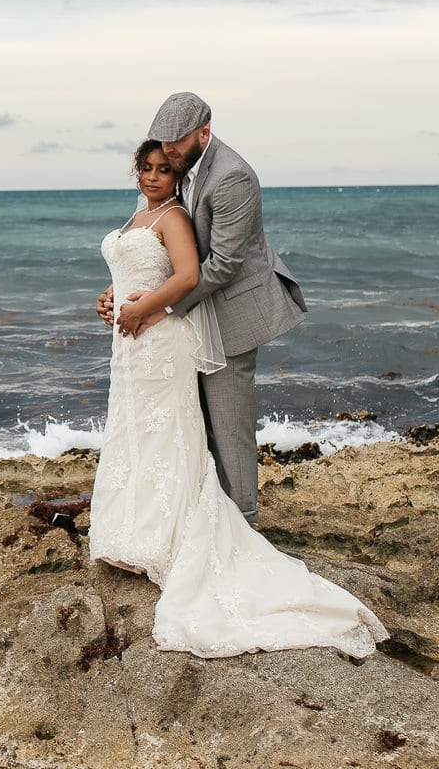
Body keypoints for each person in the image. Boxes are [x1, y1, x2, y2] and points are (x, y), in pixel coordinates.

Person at [91, 140, 386, 658]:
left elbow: (187, 277)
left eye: (164, 169)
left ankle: (172, 533)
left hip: (160, 340)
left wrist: (148, 312)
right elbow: (138, 273)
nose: (153, 176)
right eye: (146, 168)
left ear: (178, 173)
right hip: (129, 341)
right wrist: (110, 298)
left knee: (169, 431)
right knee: (134, 428)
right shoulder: (140, 214)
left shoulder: (176, 217)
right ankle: (132, 529)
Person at [98, 92, 304, 523]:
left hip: (230, 312)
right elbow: (149, 246)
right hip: (181, 315)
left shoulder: (233, 177)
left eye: (175, 143)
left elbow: (224, 264)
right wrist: (118, 294)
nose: (167, 152)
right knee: (191, 425)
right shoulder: (173, 170)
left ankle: (244, 524)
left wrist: (158, 308)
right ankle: (201, 518)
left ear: (204, 133)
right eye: (161, 143)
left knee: (229, 427)